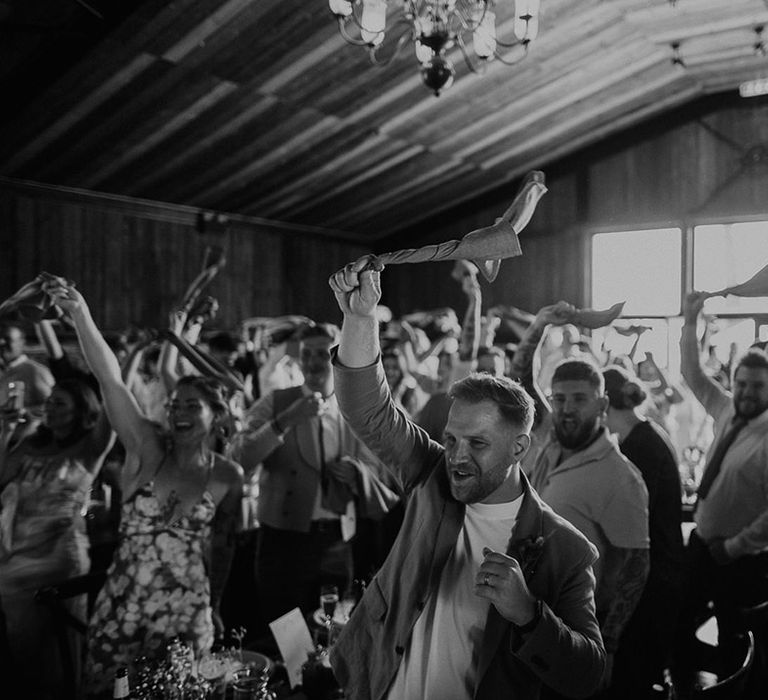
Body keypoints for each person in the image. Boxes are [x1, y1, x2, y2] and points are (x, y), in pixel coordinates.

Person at [327, 259, 605, 700]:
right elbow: (370, 411)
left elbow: (589, 674)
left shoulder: (564, 550)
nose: (456, 457)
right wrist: (358, 318)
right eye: (451, 439)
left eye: (477, 444)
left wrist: (530, 615)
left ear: (519, 448)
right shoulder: (430, 473)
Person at [41, 279, 244, 696]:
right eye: (174, 405)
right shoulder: (147, 448)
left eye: (192, 405)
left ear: (217, 416)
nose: (179, 413)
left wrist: (216, 604)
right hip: (123, 609)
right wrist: (81, 314)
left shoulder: (228, 477)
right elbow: (110, 380)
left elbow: (223, 547)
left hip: (188, 612)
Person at [228, 323, 399, 638]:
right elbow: (239, 457)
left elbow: (381, 466)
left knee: (332, 633)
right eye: (307, 355)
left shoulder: (354, 409)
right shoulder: (276, 402)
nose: (314, 363)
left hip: (337, 541)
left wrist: (358, 472)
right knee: (288, 637)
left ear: (337, 356)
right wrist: (283, 422)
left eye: (322, 354)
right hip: (283, 540)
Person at [521, 303, 650, 698]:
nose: (566, 409)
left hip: (575, 627)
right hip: (526, 612)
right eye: (559, 399)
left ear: (603, 406)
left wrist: (607, 645)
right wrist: (541, 324)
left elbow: (635, 568)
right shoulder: (548, 438)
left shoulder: (620, 477)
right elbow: (520, 379)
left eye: (579, 399)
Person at [0, 376, 114, 700]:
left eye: (59, 403)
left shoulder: (89, 448)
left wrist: (126, 362)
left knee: (57, 649)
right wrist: (6, 431)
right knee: (22, 653)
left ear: (80, 411)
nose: (48, 407)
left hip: (57, 558)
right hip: (13, 559)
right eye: (49, 400)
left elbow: (113, 412)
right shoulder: (32, 443)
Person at [675, 291, 768, 668]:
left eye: (757, 386)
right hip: (701, 543)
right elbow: (691, 374)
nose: (746, 392)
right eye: (741, 383)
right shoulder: (727, 408)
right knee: (678, 625)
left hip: (741, 560)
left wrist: (732, 547)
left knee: (736, 641)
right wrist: (689, 322)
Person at [602, 366, 684, 698]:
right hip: (664, 572)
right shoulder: (644, 435)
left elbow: (634, 524)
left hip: (655, 578)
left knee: (631, 677)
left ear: (603, 403)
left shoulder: (639, 449)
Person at [0, 321, 55, 418]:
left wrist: (24, 413)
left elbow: (52, 405)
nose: (2, 342)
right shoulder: (3, 371)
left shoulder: (35, 372)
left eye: (8, 339)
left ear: (22, 342)